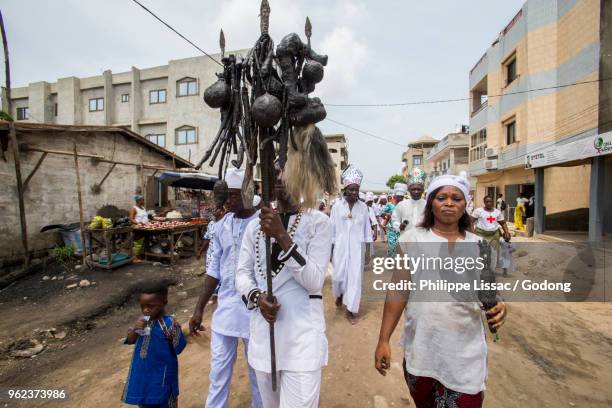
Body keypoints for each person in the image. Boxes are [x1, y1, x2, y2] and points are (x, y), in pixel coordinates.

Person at [374, 174, 507, 408]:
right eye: (441, 197)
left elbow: (488, 292)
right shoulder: (412, 239)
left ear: (465, 205)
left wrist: (499, 306)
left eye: (456, 198)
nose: (449, 203)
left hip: (465, 356)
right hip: (422, 351)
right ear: (431, 203)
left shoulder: (480, 246)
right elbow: (398, 291)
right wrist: (383, 340)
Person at [236, 163, 331, 408]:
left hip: (302, 341)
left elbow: (313, 281)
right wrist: (257, 298)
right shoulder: (254, 226)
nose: (279, 178)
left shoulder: (318, 222)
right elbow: (242, 274)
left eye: (286, 172)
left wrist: (281, 235)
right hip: (264, 339)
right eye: (274, 172)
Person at [188, 168, 263, 408]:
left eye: (234, 195)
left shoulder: (263, 224)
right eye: (227, 196)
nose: (228, 201)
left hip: (255, 311)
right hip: (226, 311)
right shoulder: (221, 226)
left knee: (258, 373)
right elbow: (213, 271)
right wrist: (199, 309)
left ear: (248, 193)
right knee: (218, 372)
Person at [122, 282, 187, 408]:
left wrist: (174, 333)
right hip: (143, 379)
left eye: (151, 306)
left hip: (163, 379)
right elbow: (130, 340)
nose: (146, 310)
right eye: (143, 306)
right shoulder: (142, 321)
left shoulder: (169, 324)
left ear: (164, 302)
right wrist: (135, 329)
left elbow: (179, 347)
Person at [330, 165, 372, 323]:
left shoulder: (363, 208)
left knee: (355, 279)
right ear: (345, 189)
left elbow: (367, 230)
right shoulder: (336, 207)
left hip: (357, 248)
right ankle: (339, 294)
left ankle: (351, 309)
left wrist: (368, 251)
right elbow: (332, 229)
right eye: (352, 189)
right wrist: (330, 249)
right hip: (339, 248)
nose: (354, 192)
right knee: (338, 277)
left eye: (357, 189)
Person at [472, 195, 511, 274]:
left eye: (490, 201)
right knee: (481, 252)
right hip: (481, 234)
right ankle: (479, 271)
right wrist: (471, 232)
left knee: (493, 253)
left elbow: (503, 223)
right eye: (487, 202)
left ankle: (491, 270)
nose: (489, 203)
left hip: (494, 235)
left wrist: (506, 232)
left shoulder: (497, 212)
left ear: (493, 202)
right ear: (484, 202)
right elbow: (470, 221)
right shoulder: (478, 211)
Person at [392, 168, 426, 240]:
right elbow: (395, 220)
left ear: (423, 190)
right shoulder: (401, 205)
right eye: (413, 189)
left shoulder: (428, 205)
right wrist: (399, 226)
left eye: (419, 189)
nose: (416, 191)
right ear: (409, 190)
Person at [383, 182, 407, 257]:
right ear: (395, 196)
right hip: (391, 229)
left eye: (401, 197)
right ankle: (390, 259)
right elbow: (381, 212)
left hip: (401, 229)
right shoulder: (390, 204)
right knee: (392, 246)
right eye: (398, 196)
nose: (400, 198)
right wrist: (388, 215)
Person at [129, 195, 150, 262]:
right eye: (142, 200)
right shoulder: (134, 208)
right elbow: (131, 219)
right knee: (137, 243)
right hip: (138, 228)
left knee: (144, 242)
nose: (144, 201)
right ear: (138, 201)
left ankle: (140, 255)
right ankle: (134, 258)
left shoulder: (143, 208)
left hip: (145, 228)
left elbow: (145, 217)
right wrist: (138, 223)